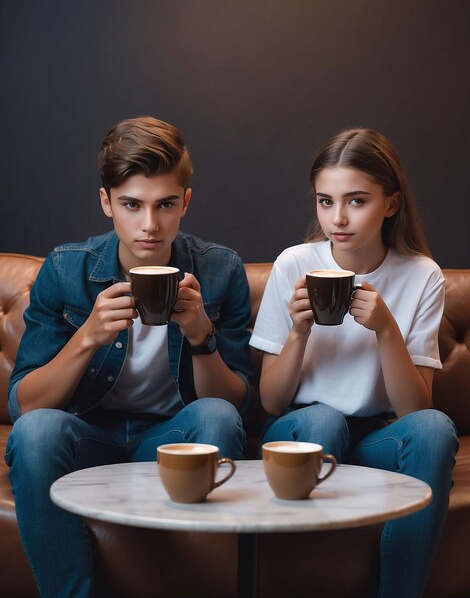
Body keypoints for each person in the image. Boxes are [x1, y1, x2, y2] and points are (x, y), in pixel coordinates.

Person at [5, 116, 254, 598]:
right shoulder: (65, 267)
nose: (149, 225)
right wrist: (87, 338)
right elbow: (25, 406)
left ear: (185, 201)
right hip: (89, 438)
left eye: (164, 205)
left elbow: (241, 405)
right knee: (37, 433)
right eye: (131, 205)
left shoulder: (220, 269)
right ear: (106, 203)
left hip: (171, 440)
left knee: (218, 417)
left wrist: (201, 335)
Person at [250, 128, 458, 598]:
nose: (337, 218)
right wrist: (299, 332)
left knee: (435, 429)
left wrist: (386, 329)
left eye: (357, 201)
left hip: (374, 437)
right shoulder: (294, 263)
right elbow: (271, 400)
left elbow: (414, 412)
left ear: (391, 204)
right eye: (325, 201)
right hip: (303, 431)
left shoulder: (421, 274)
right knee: (323, 420)